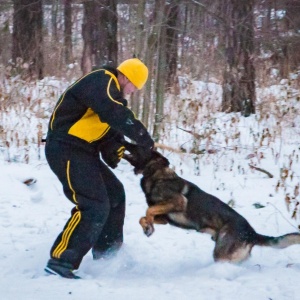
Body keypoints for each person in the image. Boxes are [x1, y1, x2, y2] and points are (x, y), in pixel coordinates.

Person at [44, 58, 154, 279]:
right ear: (125, 76)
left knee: (115, 195)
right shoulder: (101, 80)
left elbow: (108, 134)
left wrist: (121, 151)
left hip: (83, 152)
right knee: (94, 204)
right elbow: (113, 113)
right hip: (65, 149)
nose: (132, 91)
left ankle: (107, 256)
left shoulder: (112, 98)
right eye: (133, 85)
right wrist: (142, 136)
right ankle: (61, 261)